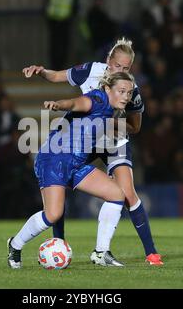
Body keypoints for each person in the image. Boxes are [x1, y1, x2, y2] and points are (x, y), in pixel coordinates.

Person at [22, 37, 163, 266]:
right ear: (108, 61)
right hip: (85, 139)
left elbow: (135, 127)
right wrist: (41, 72)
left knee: (127, 193)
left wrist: (110, 124)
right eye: (118, 66)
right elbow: (57, 76)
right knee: (62, 179)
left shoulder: (131, 90)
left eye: (127, 68)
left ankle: (150, 253)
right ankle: (58, 245)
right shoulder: (91, 71)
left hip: (113, 140)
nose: (121, 71)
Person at [7, 72, 135, 268]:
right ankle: (15, 245)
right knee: (52, 214)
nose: (126, 96)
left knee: (117, 194)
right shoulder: (99, 98)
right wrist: (59, 104)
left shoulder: (109, 111)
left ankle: (101, 253)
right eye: (122, 91)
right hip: (53, 159)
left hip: (76, 164)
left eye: (129, 92)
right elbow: (77, 103)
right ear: (108, 89)